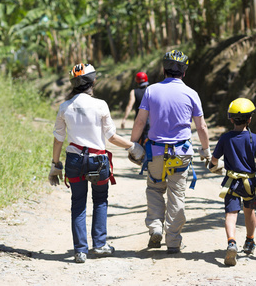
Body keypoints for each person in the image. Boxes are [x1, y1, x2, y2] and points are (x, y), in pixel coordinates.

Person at [48, 63, 145, 264]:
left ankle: (80, 251)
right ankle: (100, 245)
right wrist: (133, 147)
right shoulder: (101, 105)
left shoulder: (65, 107)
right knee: (100, 200)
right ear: (93, 81)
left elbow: (58, 139)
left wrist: (55, 165)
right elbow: (111, 137)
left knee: (78, 204)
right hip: (98, 161)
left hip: (75, 160)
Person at [129, 50, 211, 254]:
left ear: (163, 69)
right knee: (177, 195)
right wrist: (206, 150)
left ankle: (156, 227)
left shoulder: (151, 91)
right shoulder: (192, 93)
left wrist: (133, 145)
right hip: (181, 153)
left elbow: (140, 121)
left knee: (155, 190)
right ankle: (173, 241)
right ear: (184, 72)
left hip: (155, 151)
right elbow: (201, 127)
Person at [209, 98, 256, 266]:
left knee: (231, 214)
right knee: (249, 212)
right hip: (249, 183)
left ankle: (231, 242)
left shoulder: (225, 138)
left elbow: (214, 160)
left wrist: (211, 165)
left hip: (231, 183)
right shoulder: (255, 139)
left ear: (230, 119)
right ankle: (250, 241)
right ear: (250, 119)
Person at [121, 72, 150, 146]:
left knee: (138, 144)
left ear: (136, 80)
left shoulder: (134, 92)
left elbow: (130, 105)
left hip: (139, 120)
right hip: (151, 121)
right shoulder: (151, 90)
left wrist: (124, 119)